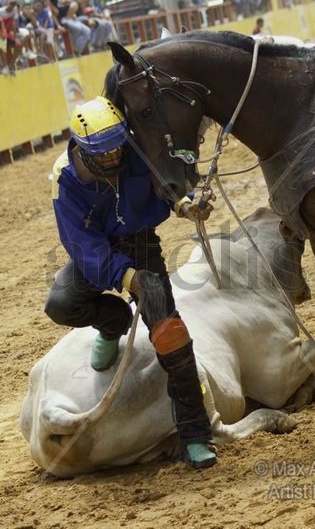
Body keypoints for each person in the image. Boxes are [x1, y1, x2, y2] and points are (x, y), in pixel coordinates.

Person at [44, 96, 217, 469]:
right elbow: (83, 247)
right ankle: (114, 323)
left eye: (116, 150)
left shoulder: (134, 146)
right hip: (97, 251)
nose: (113, 159)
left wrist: (186, 204)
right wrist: (128, 278)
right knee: (60, 303)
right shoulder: (66, 179)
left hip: (141, 244)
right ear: (83, 150)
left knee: (171, 334)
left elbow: (167, 180)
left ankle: (194, 433)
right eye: (103, 155)